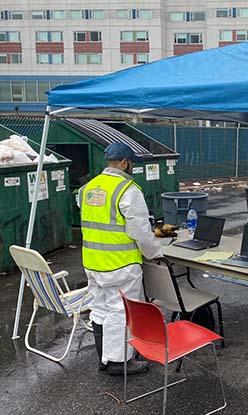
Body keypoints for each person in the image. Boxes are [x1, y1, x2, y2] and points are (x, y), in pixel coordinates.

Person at [78, 143, 163, 376]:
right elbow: (141, 232)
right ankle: (118, 362)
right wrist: (156, 253)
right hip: (120, 264)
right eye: (131, 163)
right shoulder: (128, 189)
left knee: (100, 308)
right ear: (125, 162)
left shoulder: (88, 188)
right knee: (121, 311)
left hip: (93, 262)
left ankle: (104, 358)